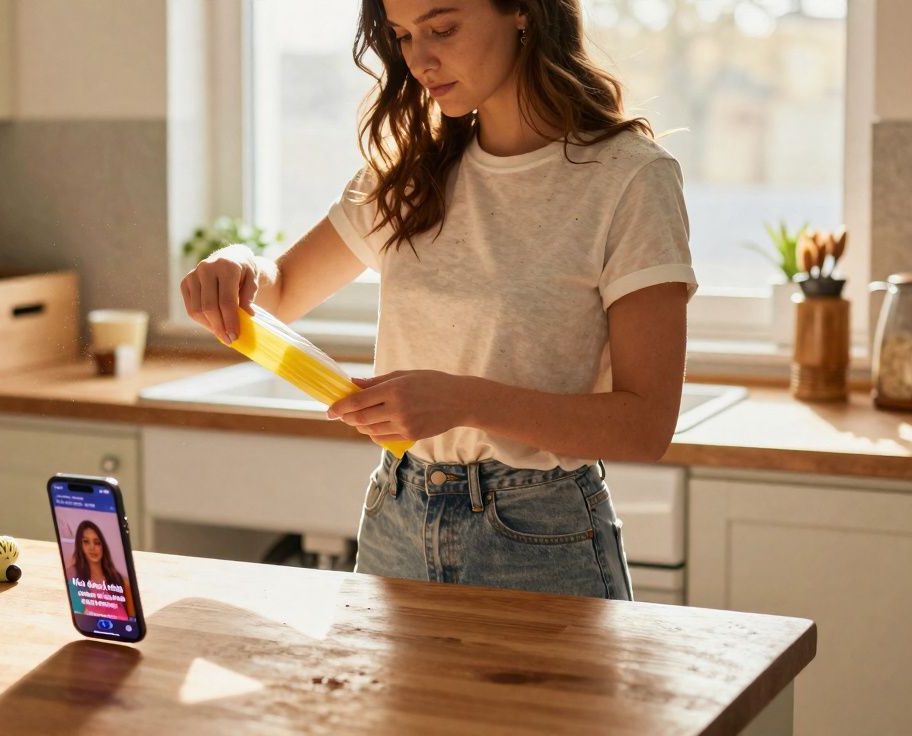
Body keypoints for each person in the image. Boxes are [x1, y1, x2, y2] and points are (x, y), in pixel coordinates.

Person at [181, 0, 696, 600]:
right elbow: (283, 290)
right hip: (395, 516)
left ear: (524, 12)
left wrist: (463, 400)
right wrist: (238, 265)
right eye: (402, 35)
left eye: (443, 28)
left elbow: (645, 426)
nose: (420, 59)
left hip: (540, 538)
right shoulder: (409, 171)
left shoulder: (630, 178)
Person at [69, 520, 136, 618]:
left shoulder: (121, 581)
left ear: (103, 546)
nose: (92, 547)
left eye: (97, 542)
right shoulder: (74, 580)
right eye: (86, 542)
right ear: (80, 546)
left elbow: (132, 618)